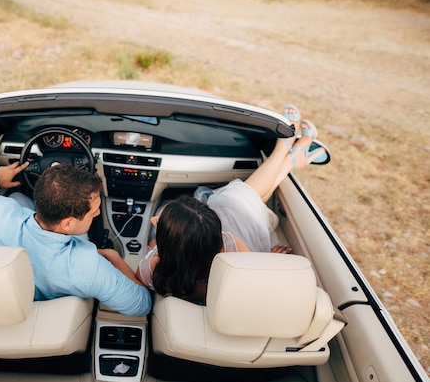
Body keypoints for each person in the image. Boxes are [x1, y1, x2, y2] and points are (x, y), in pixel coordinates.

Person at [137, 116, 326, 304]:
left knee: (240, 200)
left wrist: (113, 256)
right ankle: (284, 152)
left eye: (158, 221)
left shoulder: (151, 270)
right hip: (231, 257)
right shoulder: (229, 244)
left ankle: (288, 159)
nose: (153, 219)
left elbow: (137, 284)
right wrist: (271, 260)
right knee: (235, 201)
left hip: (193, 257)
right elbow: (253, 271)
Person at [0, 163, 152, 317]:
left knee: (16, 198)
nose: (97, 214)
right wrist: (115, 258)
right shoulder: (89, 266)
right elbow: (141, 305)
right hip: (45, 313)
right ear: (67, 224)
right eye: (93, 211)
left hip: (9, 300)